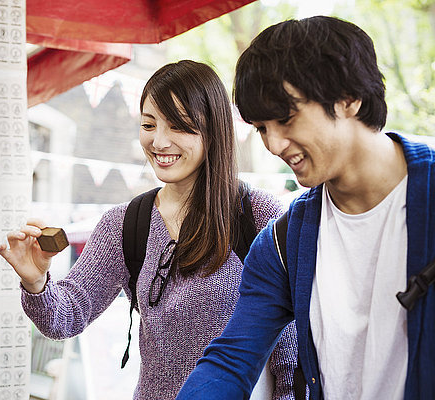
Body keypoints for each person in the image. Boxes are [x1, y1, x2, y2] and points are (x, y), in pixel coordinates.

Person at [0, 60, 299, 399]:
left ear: (214, 130)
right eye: (149, 124)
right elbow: (66, 318)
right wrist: (36, 281)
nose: (159, 141)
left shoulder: (256, 215)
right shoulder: (125, 224)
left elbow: (288, 346)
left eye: (179, 127)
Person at [177, 16, 435, 400]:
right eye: (262, 127)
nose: (275, 144)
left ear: (349, 98)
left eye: (285, 118)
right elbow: (232, 359)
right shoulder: (283, 244)